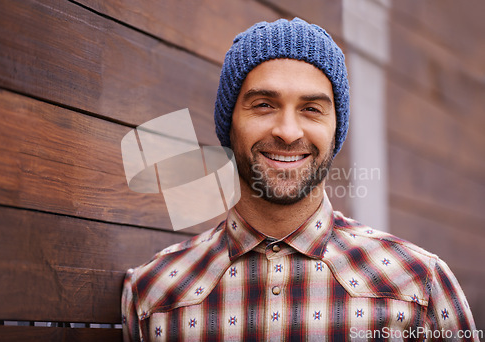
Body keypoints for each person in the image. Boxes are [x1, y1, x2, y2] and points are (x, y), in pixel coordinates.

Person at [122, 18, 477, 341]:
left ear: (336, 129)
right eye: (263, 104)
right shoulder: (152, 294)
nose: (288, 132)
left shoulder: (419, 285)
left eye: (311, 109)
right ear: (228, 123)